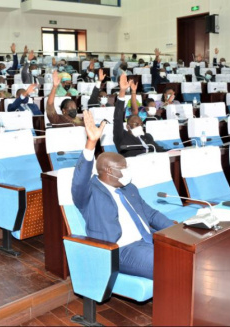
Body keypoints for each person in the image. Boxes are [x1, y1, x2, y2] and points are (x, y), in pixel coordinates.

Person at [72, 109, 174, 279]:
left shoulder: (129, 188)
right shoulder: (89, 193)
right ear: (109, 171)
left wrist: (177, 231)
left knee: (186, 254)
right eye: (123, 169)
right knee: (170, 263)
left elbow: (151, 214)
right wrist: (91, 144)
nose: (127, 172)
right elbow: (79, 180)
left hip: (148, 239)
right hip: (120, 249)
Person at [114, 75, 162, 156]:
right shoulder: (122, 137)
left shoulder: (147, 137)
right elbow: (117, 119)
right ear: (128, 126)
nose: (139, 126)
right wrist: (122, 91)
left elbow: (160, 150)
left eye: (141, 124)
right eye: (136, 124)